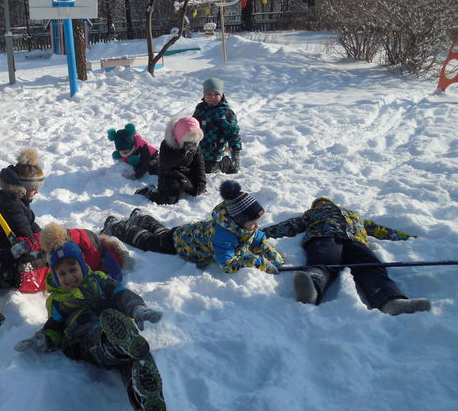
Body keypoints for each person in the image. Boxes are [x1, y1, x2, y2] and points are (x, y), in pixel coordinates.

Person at [0, 150, 129, 338]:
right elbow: (30, 235)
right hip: (18, 254)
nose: (37, 191)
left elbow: (30, 237)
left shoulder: (9, 199)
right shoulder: (12, 204)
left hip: (21, 258)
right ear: (22, 187)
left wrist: (35, 240)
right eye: (34, 186)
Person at [14, 224, 166, 411]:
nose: (69, 277)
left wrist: (136, 308)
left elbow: (119, 293)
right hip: (83, 336)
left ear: (82, 265)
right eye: (62, 274)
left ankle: (147, 395)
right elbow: (54, 326)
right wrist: (42, 338)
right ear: (55, 275)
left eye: (73, 269)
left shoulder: (98, 279)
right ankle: (114, 342)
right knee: (100, 336)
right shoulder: (58, 300)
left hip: (114, 321)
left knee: (137, 351)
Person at [262, 197, 432, 315]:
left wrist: (407, 237)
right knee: (323, 261)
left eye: (323, 202)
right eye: (318, 203)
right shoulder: (312, 215)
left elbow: (380, 230)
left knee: (371, 267)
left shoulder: (355, 216)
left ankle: (391, 301)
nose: (321, 204)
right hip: (324, 236)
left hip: (356, 241)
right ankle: (311, 290)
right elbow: (291, 225)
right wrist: (261, 234)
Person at [104, 180, 283, 274]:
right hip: (179, 244)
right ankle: (116, 226)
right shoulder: (224, 236)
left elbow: (259, 241)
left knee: (162, 232)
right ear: (238, 219)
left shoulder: (245, 228)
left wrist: (275, 259)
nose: (256, 226)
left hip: (185, 233)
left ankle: (140, 217)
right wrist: (257, 262)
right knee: (148, 240)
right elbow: (227, 265)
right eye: (252, 222)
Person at [135, 116, 206, 205]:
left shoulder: (194, 145)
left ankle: (186, 185)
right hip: (169, 175)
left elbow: (199, 164)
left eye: (194, 138)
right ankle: (148, 191)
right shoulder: (167, 144)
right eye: (188, 138)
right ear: (180, 136)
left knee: (197, 190)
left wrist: (201, 182)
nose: (191, 142)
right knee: (168, 200)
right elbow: (165, 164)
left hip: (185, 174)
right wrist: (182, 153)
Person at [193, 77, 242, 174]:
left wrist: (235, 155)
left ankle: (223, 164)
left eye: (216, 94)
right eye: (209, 94)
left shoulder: (225, 113)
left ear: (222, 95)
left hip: (214, 153)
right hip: (198, 149)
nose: (213, 97)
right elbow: (192, 125)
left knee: (206, 170)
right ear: (204, 95)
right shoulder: (200, 108)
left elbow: (233, 135)